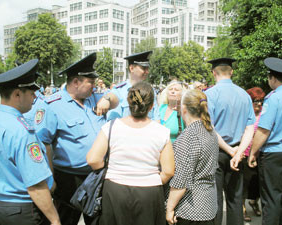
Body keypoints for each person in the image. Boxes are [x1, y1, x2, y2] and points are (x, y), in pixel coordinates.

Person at [87, 81, 175, 225]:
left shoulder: (111, 127)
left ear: (128, 103)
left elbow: (93, 159)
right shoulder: (162, 132)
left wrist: (110, 170)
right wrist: (150, 179)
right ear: (152, 106)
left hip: (115, 189)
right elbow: (168, 170)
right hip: (149, 192)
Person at [34, 52, 106, 225]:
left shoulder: (94, 99)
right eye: (90, 82)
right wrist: (50, 180)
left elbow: (116, 97)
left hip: (96, 177)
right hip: (68, 180)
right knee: (66, 220)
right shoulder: (52, 105)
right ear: (76, 82)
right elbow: (44, 145)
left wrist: (108, 100)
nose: (94, 87)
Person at [0, 59, 60, 225]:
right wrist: (55, 219)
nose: (35, 96)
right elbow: (36, 185)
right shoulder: (22, 131)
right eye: (31, 92)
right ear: (17, 94)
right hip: (20, 210)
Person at [205, 57, 255, 225]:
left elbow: (209, 127)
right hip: (237, 153)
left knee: (215, 200)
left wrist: (228, 150)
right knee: (235, 198)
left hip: (216, 152)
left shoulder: (209, 94)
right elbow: (250, 127)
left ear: (214, 73)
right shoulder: (244, 95)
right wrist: (238, 152)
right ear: (231, 72)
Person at [166, 89, 219, 225]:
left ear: (184, 109)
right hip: (209, 204)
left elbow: (181, 182)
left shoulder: (188, 137)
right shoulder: (210, 131)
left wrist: (170, 208)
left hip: (190, 209)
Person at [248, 57, 282, 225]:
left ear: (273, 78)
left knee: (271, 198)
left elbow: (263, 130)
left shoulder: (274, 98)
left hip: (274, 154)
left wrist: (253, 152)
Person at [96, 51, 160, 121]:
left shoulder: (151, 91)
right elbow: (114, 123)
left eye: (148, 68)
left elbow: (156, 118)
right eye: (144, 68)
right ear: (131, 68)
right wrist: (107, 99)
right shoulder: (119, 91)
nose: (147, 72)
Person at [242, 87, 265, 222]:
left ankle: (254, 202)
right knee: (245, 183)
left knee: (258, 183)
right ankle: (242, 207)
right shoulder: (245, 113)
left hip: (261, 153)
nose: (259, 104)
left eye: (261, 101)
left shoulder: (265, 114)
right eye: (256, 101)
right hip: (246, 152)